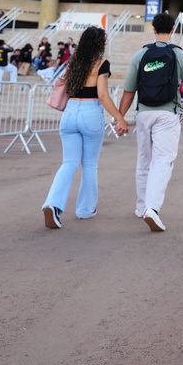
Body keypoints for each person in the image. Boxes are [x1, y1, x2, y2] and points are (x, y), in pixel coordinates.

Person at [41, 26, 129, 228]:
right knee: (89, 165)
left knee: (68, 163)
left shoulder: (73, 62)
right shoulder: (101, 64)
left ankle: (52, 204)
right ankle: (85, 210)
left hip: (70, 112)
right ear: (100, 44)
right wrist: (119, 118)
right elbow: (102, 95)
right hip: (90, 113)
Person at [118, 11, 183, 233]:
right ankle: (152, 208)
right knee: (163, 161)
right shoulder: (180, 55)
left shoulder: (140, 55)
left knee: (144, 160)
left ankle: (141, 206)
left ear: (153, 30)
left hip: (143, 113)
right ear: (172, 30)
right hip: (167, 113)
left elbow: (128, 92)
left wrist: (120, 117)